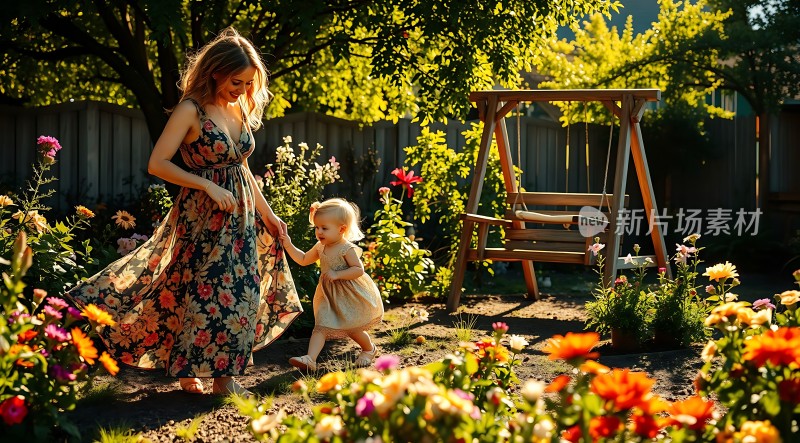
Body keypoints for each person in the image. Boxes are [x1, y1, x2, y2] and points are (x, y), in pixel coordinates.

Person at [66, 27, 302, 396]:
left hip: (241, 216)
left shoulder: (238, 106)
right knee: (196, 291)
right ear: (215, 72)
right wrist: (207, 184)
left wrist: (269, 214)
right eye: (236, 82)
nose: (242, 90)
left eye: (248, 83)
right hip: (203, 216)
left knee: (240, 292)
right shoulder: (190, 110)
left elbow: (241, 168)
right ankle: (198, 372)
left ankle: (220, 376)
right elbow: (157, 163)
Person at [280, 198, 384, 371]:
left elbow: (358, 269)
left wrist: (338, 274)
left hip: (349, 293)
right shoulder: (320, 246)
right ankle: (310, 359)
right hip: (328, 295)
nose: (319, 232)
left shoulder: (346, 248)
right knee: (320, 326)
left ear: (341, 229)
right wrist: (288, 244)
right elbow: (304, 259)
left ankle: (368, 349)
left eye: (324, 228)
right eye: (317, 227)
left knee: (352, 328)